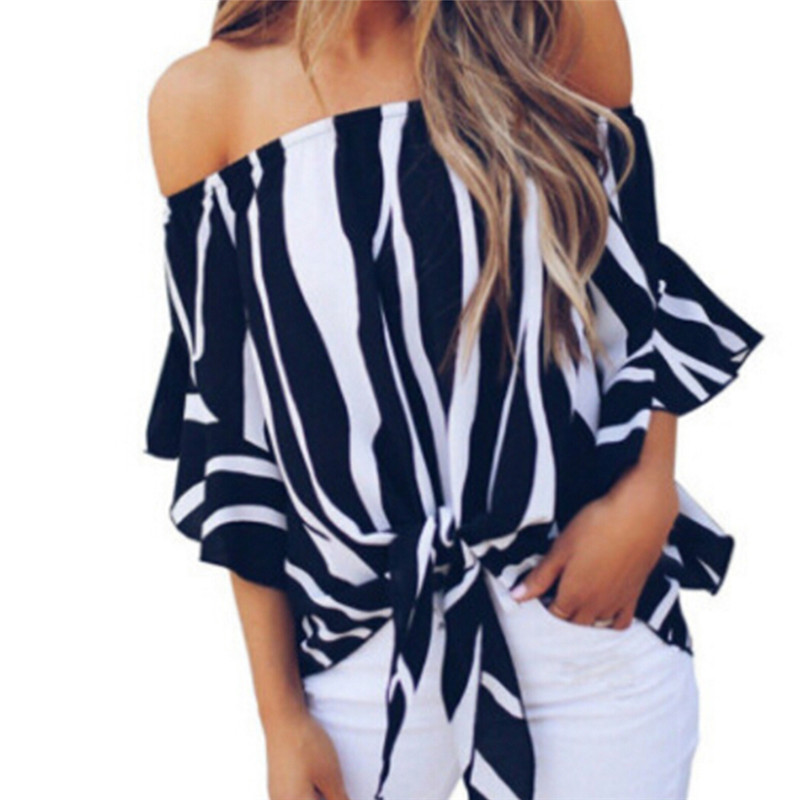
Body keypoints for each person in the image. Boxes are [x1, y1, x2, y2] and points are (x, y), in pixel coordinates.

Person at [143, 2, 764, 799]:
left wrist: (648, 491)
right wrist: (280, 717)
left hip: (588, 625)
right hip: (364, 660)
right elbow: (233, 430)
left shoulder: (554, 26)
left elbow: (636, 291)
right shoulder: (203, 101)